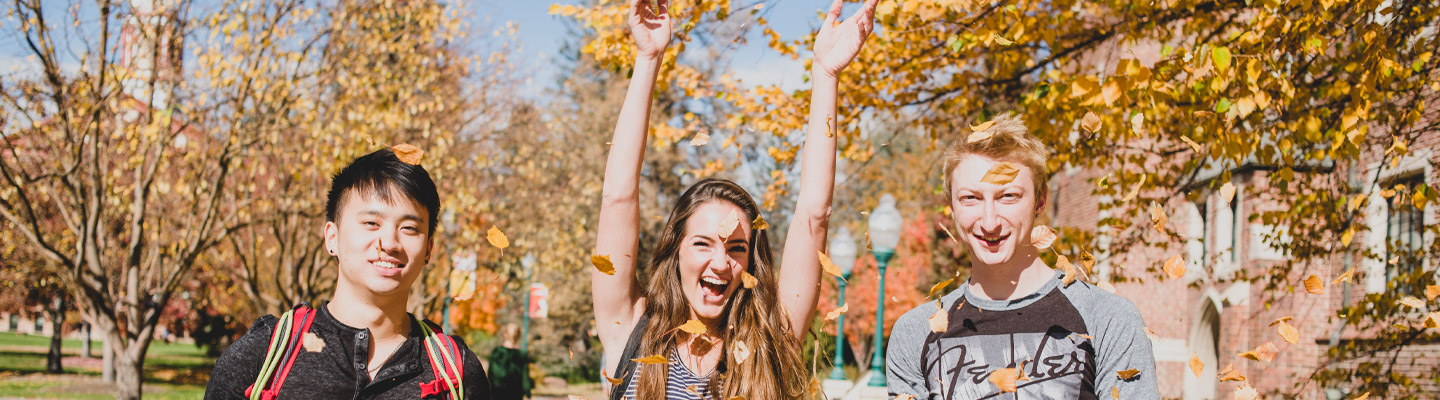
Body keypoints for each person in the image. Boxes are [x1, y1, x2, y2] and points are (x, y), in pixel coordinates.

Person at [590, 0, 877, 398]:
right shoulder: (629, 327)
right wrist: (648, 57)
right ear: (675, 251)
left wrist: (826, 75)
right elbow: (617, 198)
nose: (721, 262)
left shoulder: (770, 340)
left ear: (750, 262)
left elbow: (816, 214)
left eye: (737, 248)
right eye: (703, 243)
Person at [885, 114, 1160, 399]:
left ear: (1040, 200)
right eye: (971, 198)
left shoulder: (1108, 319)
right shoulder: (917, 332)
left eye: (1008, 196)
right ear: (952, 207)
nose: (989, 221)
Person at [206, 148, 491, 399]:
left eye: (410, 228)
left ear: (428, 249)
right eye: (371, 222)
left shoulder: (456, 373)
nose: (389, 243)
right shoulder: (263, 356)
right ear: (332, 237)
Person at [487, 324, 531, 400]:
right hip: (515, 393)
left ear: (505, 335)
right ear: (519, 336)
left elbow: (491, 373)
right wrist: (528, 393)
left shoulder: (497, 352)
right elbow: (525, 376)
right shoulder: (521, 355)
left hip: (497, 392)